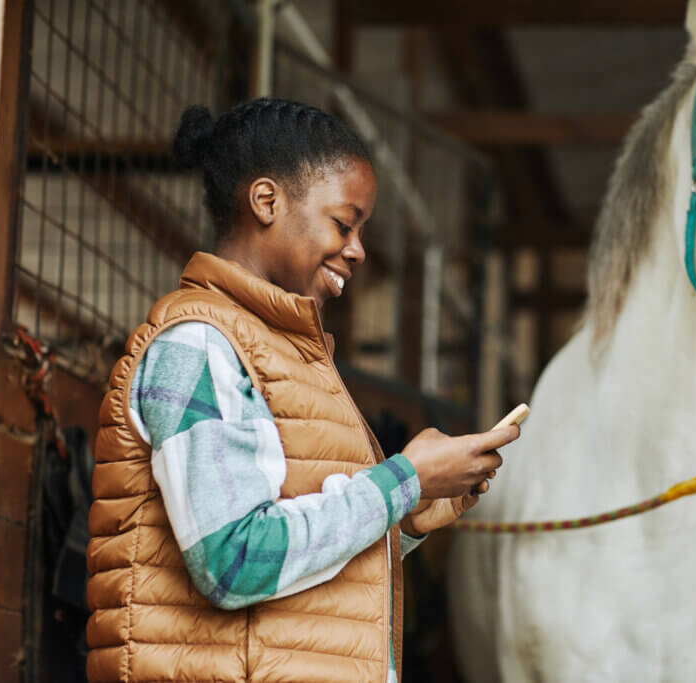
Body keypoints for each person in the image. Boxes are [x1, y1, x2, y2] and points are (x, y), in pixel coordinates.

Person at [84, 99, 520, 682]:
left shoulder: (284, 354)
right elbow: (234, 560)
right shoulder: (198, 348)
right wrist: (403, 480)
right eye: (345, 223)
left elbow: (299, 576)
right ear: (267, 201)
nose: (359, 248)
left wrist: (406, 519)